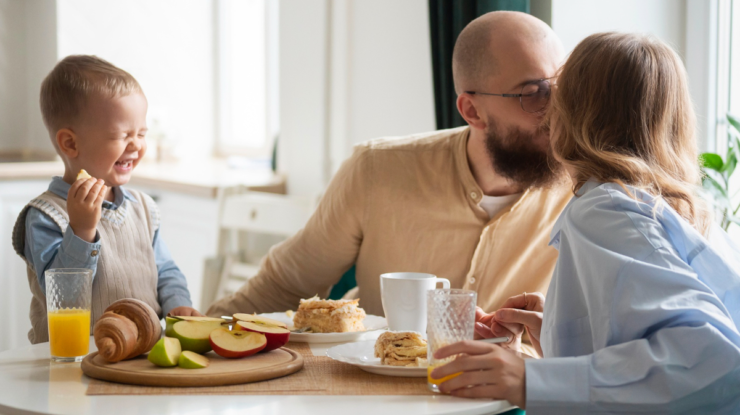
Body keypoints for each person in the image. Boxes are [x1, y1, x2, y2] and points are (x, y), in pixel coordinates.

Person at [430, 32, 740, 414]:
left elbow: (717, 361)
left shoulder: (604, 208)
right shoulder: (687, 210)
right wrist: (564, 331)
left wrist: (530, 379)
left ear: (570, 113)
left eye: (553, 95)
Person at [207, 11, 572, 317]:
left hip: (512, 400)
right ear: (472, 111)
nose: (558, 109)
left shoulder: (588, 189)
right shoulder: (376, 171)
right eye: (534, 92)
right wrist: (199, 333)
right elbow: (284, 286)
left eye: (563, 85)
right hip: (376, 397)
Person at [12, 55, 202, 344]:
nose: (136, 145)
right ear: (70, 143)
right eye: (122, 135)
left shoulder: (144, 207)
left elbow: (165, 270)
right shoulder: (44, 215)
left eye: (141, 133)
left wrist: (178, 303)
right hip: (69, 362)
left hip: (140, 355)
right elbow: (62, 300)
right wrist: (82, 231)